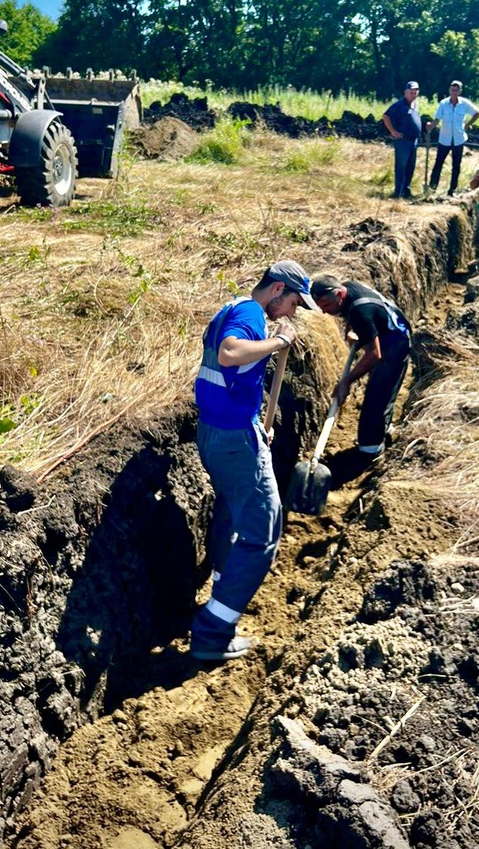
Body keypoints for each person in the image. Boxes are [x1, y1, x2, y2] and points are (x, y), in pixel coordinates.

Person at [191, 260, 319, 662]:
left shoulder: (232, 308)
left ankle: (220, 585)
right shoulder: (250, 313)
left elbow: (231, 376)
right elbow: (230, 354)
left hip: (219, 430)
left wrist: (254, 423)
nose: (293, 311)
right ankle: (213, 631)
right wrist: (279, 342)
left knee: (231, 511)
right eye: (295, 301)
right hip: (232, 439)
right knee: (263, 530)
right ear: (277, 288)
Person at [310, 275, 412, 458]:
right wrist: (353, 330)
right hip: (388, 330)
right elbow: (358, 316)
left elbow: (374, 354)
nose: (324, 312)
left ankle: (370, 449)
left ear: (339, 294)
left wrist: (346, 382)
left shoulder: (360, 311)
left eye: (326, 306)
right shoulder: (348, 290)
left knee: (377, 394)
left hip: (396, 342)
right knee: (381, 389)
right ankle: (383, 429)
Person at [429, 80, 479, 195]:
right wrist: (431, 126)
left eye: (456, 90)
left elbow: (477, 112)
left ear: (460, 91)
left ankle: (452, 190)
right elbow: (437, 119)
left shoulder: (464, 104)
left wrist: (468, 124)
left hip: (458, 139)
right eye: (452, 90)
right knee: (438, 164)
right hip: (445, 139)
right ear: (449, 90)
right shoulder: (443, 104)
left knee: (456, 166)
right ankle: (432, 189)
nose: (454, 92)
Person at [382, 81, 422, 199]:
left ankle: (406, 191)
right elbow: (386, 116)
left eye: (415, 93)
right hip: (402, 141)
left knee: (410, 166)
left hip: (413, 141)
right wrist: (393, 131)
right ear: (405, 92)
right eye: (411, 93)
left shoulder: (415, 104)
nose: (413, 95)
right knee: (401, 166)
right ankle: (398, 192)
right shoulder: (399, 105)